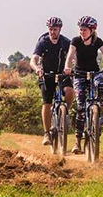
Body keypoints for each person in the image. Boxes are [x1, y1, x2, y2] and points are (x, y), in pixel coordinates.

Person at [64, 16, 103, 154]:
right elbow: (70, 55)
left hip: (95, 72)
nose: (81, 31)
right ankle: (77, 141)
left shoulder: (97, 41)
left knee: (100, 84)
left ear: (92, 30)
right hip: (79, 74)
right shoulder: (76, 41)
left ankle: (100, 111)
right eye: (80, 29)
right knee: (81, 108)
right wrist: (67, 67)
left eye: (84, 29)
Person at [30, 16, 74, 146]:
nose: (52, 32)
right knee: (47, 103)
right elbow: (33, 60)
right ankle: (46, 133)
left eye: (55, 29)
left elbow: (74, 56)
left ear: (60, 29)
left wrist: (72, 67)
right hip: (46, 75)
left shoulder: (66, 42)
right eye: (50, 29)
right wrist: (37, 68)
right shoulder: (42, 42)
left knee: (70, 91)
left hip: (62, 74)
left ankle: (65, 113)